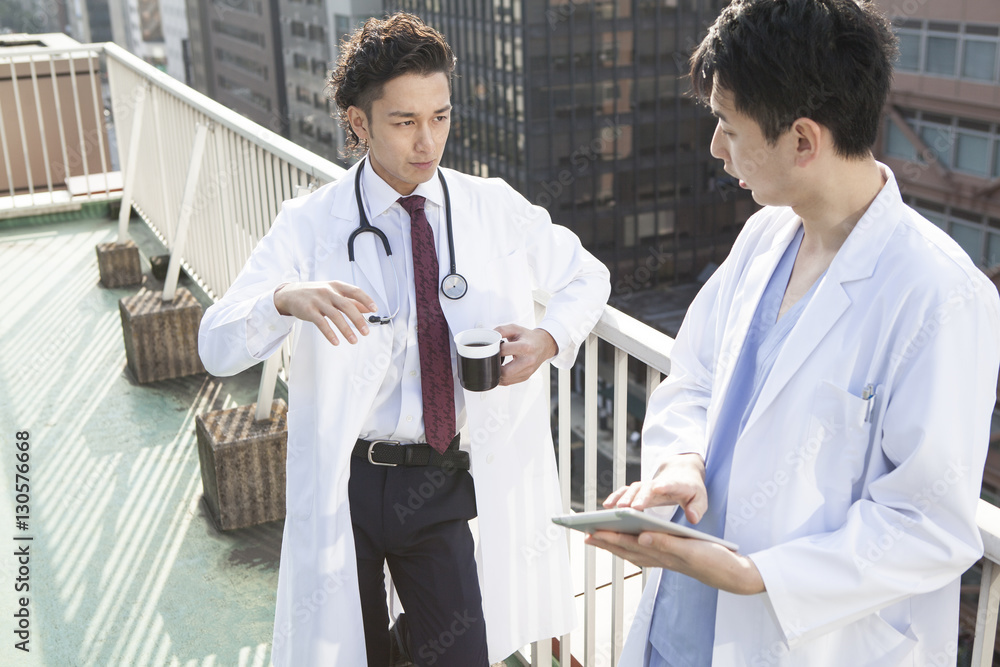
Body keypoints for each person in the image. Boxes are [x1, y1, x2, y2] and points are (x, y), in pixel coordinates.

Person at [584, 1, 1000, 665]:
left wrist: (762, 576)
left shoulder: (940, 294)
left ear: (803, 140)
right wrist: (683, 458)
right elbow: (694, 378)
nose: (716, 148)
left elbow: (929, 523)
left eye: (727, 125)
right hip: (680, 622)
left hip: (799, 638)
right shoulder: (765, 234)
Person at [198, 13, 610, 667]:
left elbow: (587, 276)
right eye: (404, 121)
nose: (428, 141)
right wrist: (283, 300)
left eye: (440, 117)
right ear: (358, 123)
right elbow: (214, 345)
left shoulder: (491, 207)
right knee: (344, 650)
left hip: (442, 480)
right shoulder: (310, 225)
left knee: (461, 652)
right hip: (348, 479)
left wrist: (549, 338)